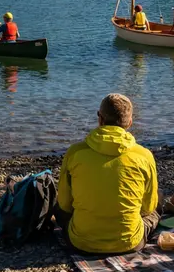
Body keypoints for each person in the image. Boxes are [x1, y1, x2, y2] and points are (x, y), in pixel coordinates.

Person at [56, 94, 159, 254]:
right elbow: (148, 208)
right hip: (129, 242)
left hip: (82, 242)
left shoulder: (75, 152)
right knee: (157, 204)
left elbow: (64, 204)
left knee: (59, 209)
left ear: (100, 118)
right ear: (130, 122)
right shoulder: (144, 155)